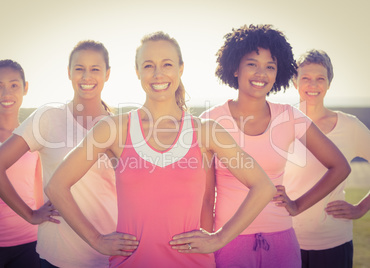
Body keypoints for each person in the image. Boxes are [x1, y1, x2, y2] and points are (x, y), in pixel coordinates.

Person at [45, 31, 276, 268]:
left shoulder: (206, 131)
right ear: (137, 72)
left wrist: (219, 238)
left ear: (180, 69)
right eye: (148, 65)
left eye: (167, 64)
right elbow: (56, 186)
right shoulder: (113, 128)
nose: (158, 74)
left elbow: (263, 186)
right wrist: (96, 239)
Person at [199, 24, 351, 268]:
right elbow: (206, 198)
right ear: (235, 67)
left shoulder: (290, 117)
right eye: (252, 64)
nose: (262, 73)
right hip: (228, 242)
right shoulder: (211, 121)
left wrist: (297, 205)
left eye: (270, 67)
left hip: (282, 241)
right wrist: (205, 248)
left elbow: (340, 167)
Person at [0, 41, 119, 268]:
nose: (86, 76)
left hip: (112, 254)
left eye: (95, 69)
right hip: (60, 256)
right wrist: (30, 215)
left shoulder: (118, 126)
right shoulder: (48, 118)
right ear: (68, 72)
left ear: (107, 74)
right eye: (79, 68)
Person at [282, 49, 370, 268]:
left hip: (334, 241)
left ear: (329, 83)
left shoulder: (349, 126)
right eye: (306, 78)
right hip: (285, 240)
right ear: (295, 82)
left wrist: (361, 208)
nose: (313, 85)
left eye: (320, 78)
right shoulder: (279, 123)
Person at [0, 59, 55, 267]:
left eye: (14, 85)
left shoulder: (34, 137)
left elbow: (39, 186)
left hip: (30, 245)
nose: (6, 93)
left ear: (25, 88)